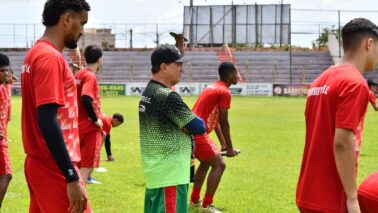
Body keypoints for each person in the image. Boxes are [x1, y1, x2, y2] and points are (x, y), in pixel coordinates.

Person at [296, 18, 378, 213]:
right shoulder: (354, 83)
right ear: (369, 43)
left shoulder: (320, 80)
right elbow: (342, 142)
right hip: (332, 196)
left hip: (307, 192)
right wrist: (352, 199)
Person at [21, 1, 91, 212]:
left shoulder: (36, 52)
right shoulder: (49, 57)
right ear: (67, 19)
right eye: (82, 23)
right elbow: (47, 119)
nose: (82, 31)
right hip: (54, 166)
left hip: (42, 162)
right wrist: (70, 176)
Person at [139, 45, 206, 213]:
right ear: (164, 67)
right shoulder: (166, 96)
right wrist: (186, 126)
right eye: (178, 64)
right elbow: (198, 126)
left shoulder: (149, 91)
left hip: (157, 174)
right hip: (170, 176)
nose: (181, 69)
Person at [189, 61, 239, 213]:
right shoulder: (224, 92)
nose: (238, 76)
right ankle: (206, 206)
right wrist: (229, 149)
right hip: (197, 133)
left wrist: (224, 144)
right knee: (220, 164)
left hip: (190, 129)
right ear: (230, 75)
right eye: (237, 73)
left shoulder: (213, 87)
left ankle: (194, 202)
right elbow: (224, 121)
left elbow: (216, 121)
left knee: (206, 163)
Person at [75, 45, 104, 184]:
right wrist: (96, 119)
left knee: (77, 166)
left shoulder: (79, 74)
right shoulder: (90, 76)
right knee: (85, 169)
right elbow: (86, 98)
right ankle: (78, 204)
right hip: (89, 128)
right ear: (100, 59)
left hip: (77, 126)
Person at [0, 53, 12, 208]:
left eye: (7, 70)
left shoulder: (4, 88)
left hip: (3, 136)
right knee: (6, 175)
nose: (6, 73)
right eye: (2, 70)